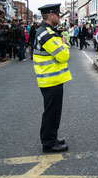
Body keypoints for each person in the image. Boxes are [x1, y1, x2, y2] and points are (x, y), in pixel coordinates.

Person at [33, 4, 72, 152]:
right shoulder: (46, 34)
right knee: (51, 112)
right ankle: (49, 143)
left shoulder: (48, 31)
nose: (59, 17)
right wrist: (64, 45)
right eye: (57, 14)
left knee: (54, 111)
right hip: (50, 79)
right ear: (50, 16)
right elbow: (63, 56)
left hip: (52, 79)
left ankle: (52, 138)